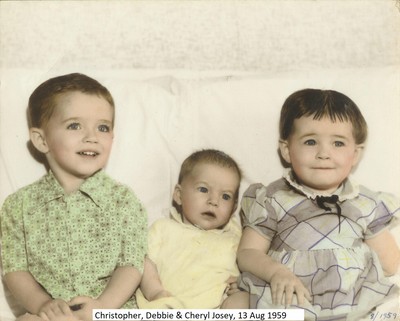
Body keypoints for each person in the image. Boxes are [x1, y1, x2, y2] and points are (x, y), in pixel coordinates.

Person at [237, 89, 400, 320]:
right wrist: (275, 273)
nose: (324, 153)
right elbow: (247, 252)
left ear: (355, 154)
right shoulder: (273, 198)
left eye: (338, 143)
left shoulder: (365, 202)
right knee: (235, 305)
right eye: (311, 141)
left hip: (353, 302)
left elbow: (391, 263)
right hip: (290, 297)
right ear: (287, 150)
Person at [0, 73, 147, 321]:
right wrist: (43, 304)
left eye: (103, 127)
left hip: (112, 310)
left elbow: (131, 265)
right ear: (41, 139)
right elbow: (15, 270)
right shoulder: (19, 205)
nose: (92, 136)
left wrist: (103, 308)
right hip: (53, 315)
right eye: (74, 125)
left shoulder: (123, 199)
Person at [136, 149, 248, 309]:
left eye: (226, 196)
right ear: (179, 195)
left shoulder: (235, 237)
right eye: (203, 189)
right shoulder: (163, 229)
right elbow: (144, 262)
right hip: (166, 306)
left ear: (233, 207)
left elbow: (248, 265)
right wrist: (155, 292)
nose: (214, 201)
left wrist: (242, 284)